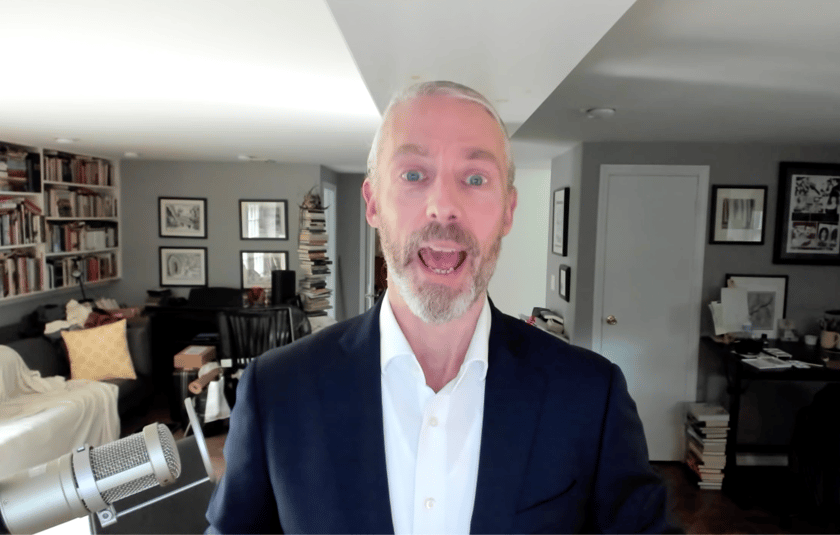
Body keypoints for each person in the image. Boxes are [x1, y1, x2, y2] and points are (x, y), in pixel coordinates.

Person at [205, 81, 677, 534]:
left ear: (508, 210)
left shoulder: (591, 396)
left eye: (475, 178)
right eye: (413, 175)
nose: (444, 207)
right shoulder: (277, 392)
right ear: (373, 203)